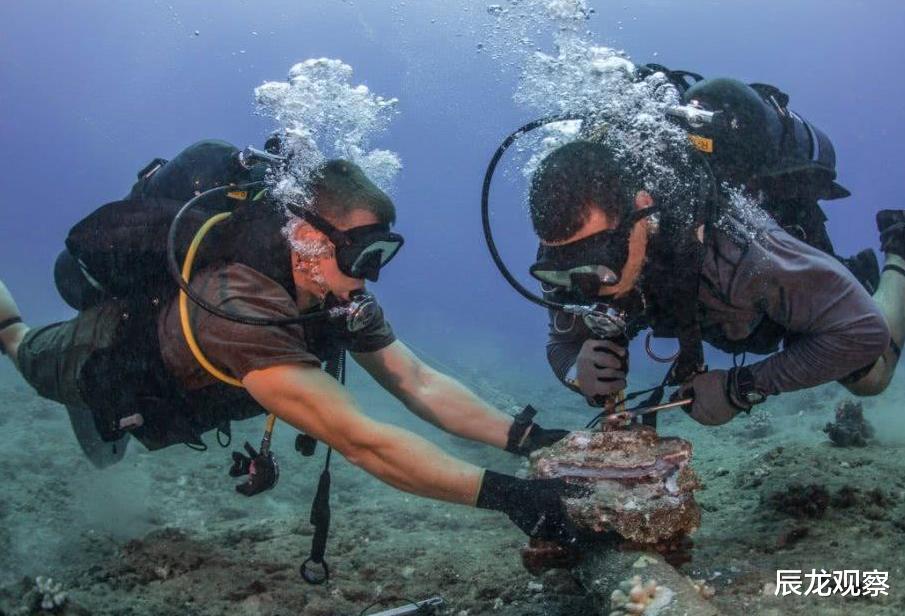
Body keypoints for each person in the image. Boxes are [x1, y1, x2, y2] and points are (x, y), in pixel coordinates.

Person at [0, 139, 580, 544]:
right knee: (15, 340)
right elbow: (361, 440)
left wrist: (527, 438)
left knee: (110, 441)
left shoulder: (334, 297)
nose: (370, 274)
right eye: (361, 254)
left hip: (165, 404)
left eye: (383, 253)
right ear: (306, 236)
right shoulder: (238, 305)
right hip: (91, 362)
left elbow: (415, 381)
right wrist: (514, 498)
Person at [525, 79, 905, 425]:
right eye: (564, 270)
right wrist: (576, 369)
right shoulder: (566, 251)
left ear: (642, 213)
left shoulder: (740, 244)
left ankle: (897, 250)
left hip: (765, 286)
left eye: (600, 265)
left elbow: (862, 332)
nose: (586, 286)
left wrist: (742, 387)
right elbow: (562, 341)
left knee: (872, 378)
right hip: (711, 305)